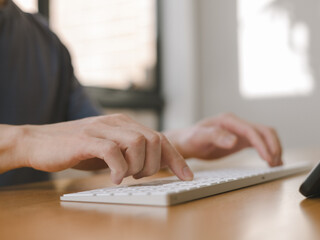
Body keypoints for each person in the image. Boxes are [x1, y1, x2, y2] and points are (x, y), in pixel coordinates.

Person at [0, 0, 282, 186]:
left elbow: (96, 144)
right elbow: (39, 141)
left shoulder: (44, 40)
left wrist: (179, 141)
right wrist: (25, 141)